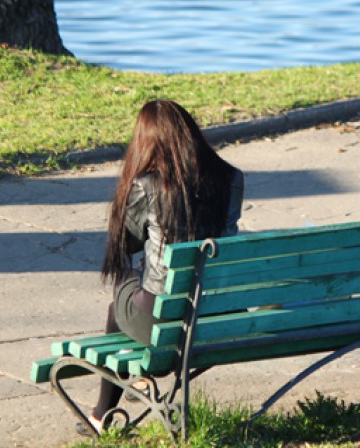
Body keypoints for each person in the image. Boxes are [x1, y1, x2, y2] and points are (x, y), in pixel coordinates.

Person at [81, 99, 244, 436]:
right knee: (132, 292)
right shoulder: (230, 178)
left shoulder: (147, 184)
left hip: (165, 320)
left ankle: (103, 412)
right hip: (219, 314)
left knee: (121, 293)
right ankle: (131, 384)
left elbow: (127, 246)